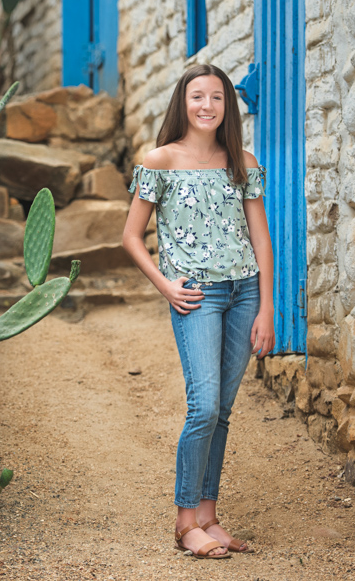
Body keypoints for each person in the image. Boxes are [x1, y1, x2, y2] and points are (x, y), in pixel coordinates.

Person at [122, 64, 275, 560]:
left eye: (216, 97)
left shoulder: (241, 162)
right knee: (203, 405)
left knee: (223, 412)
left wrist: (267, 307)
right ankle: (185, 520)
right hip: (196, 296)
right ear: (182, 104)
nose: (206, 106)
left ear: (227, 106)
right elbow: (131, 237)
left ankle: (209, 517)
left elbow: (261, 239)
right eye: (197, 97)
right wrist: (167, 286)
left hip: (244, 293)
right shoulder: (161, 161)